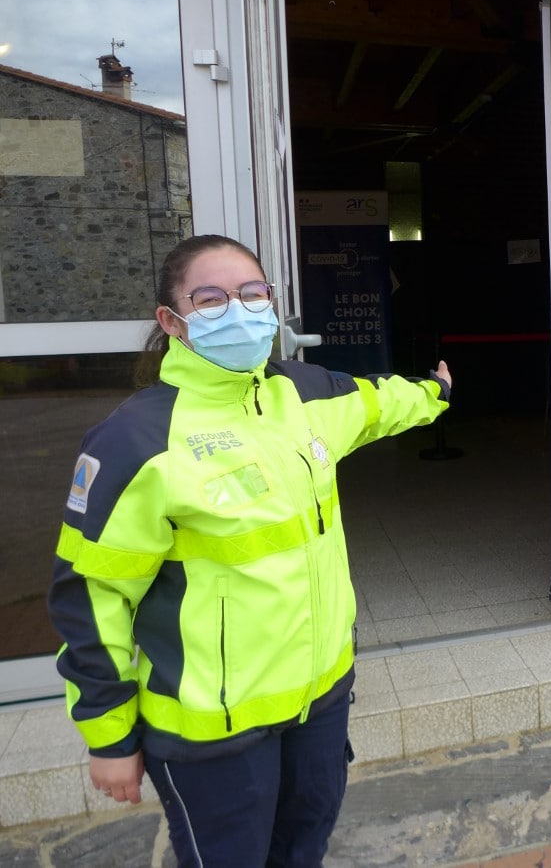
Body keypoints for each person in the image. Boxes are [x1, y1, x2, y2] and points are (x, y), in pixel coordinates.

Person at [47, 234, 452, 867]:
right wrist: (109, 736)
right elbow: (91, 596)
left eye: (253, 292)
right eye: (211, 298)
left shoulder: (303, 393)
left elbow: (376, 404)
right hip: (212, 733)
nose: (239, 309)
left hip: (319, 702)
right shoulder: (137, 439)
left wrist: (433, 394)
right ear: (172, 321)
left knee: (303, 848)